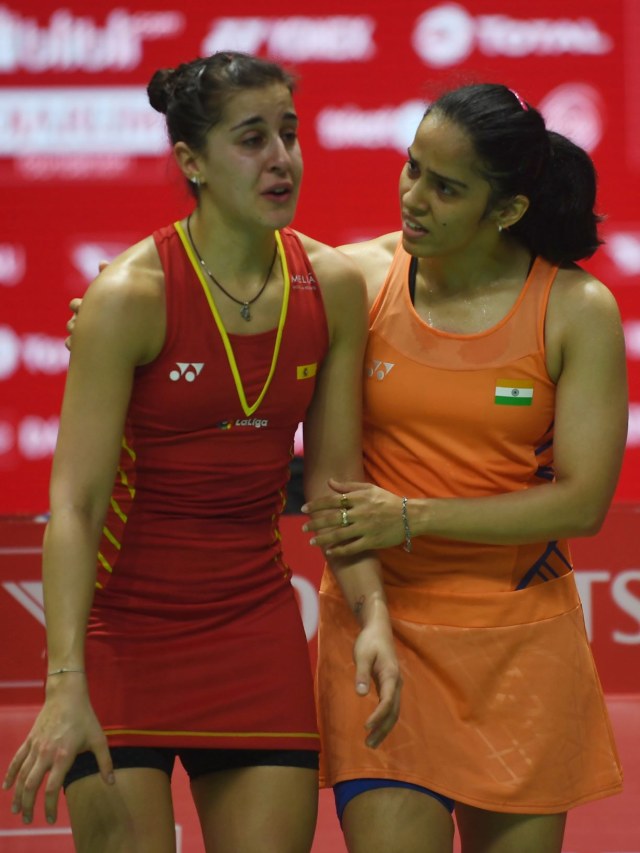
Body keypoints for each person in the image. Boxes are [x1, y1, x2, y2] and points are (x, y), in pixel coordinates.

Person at [2, 52, 401, 853]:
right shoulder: (129, 297)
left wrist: (373, 613)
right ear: (192, 161)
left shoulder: (333, 286)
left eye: (288, 133)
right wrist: (64, 681)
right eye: (251, 138)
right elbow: (75, 506)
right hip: (118, 632)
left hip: (252, 627)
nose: (281, 158)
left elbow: (331, 483)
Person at [302, 83, 627, 853]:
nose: (414, 197)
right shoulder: (355, 280)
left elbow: (581, 505)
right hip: (381, 632)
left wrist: (412, 516)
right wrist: (113, 309)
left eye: (446, 188)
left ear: (506, 210)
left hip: (520, 646)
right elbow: (221, 287)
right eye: (412, 168)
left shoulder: (576, 309)